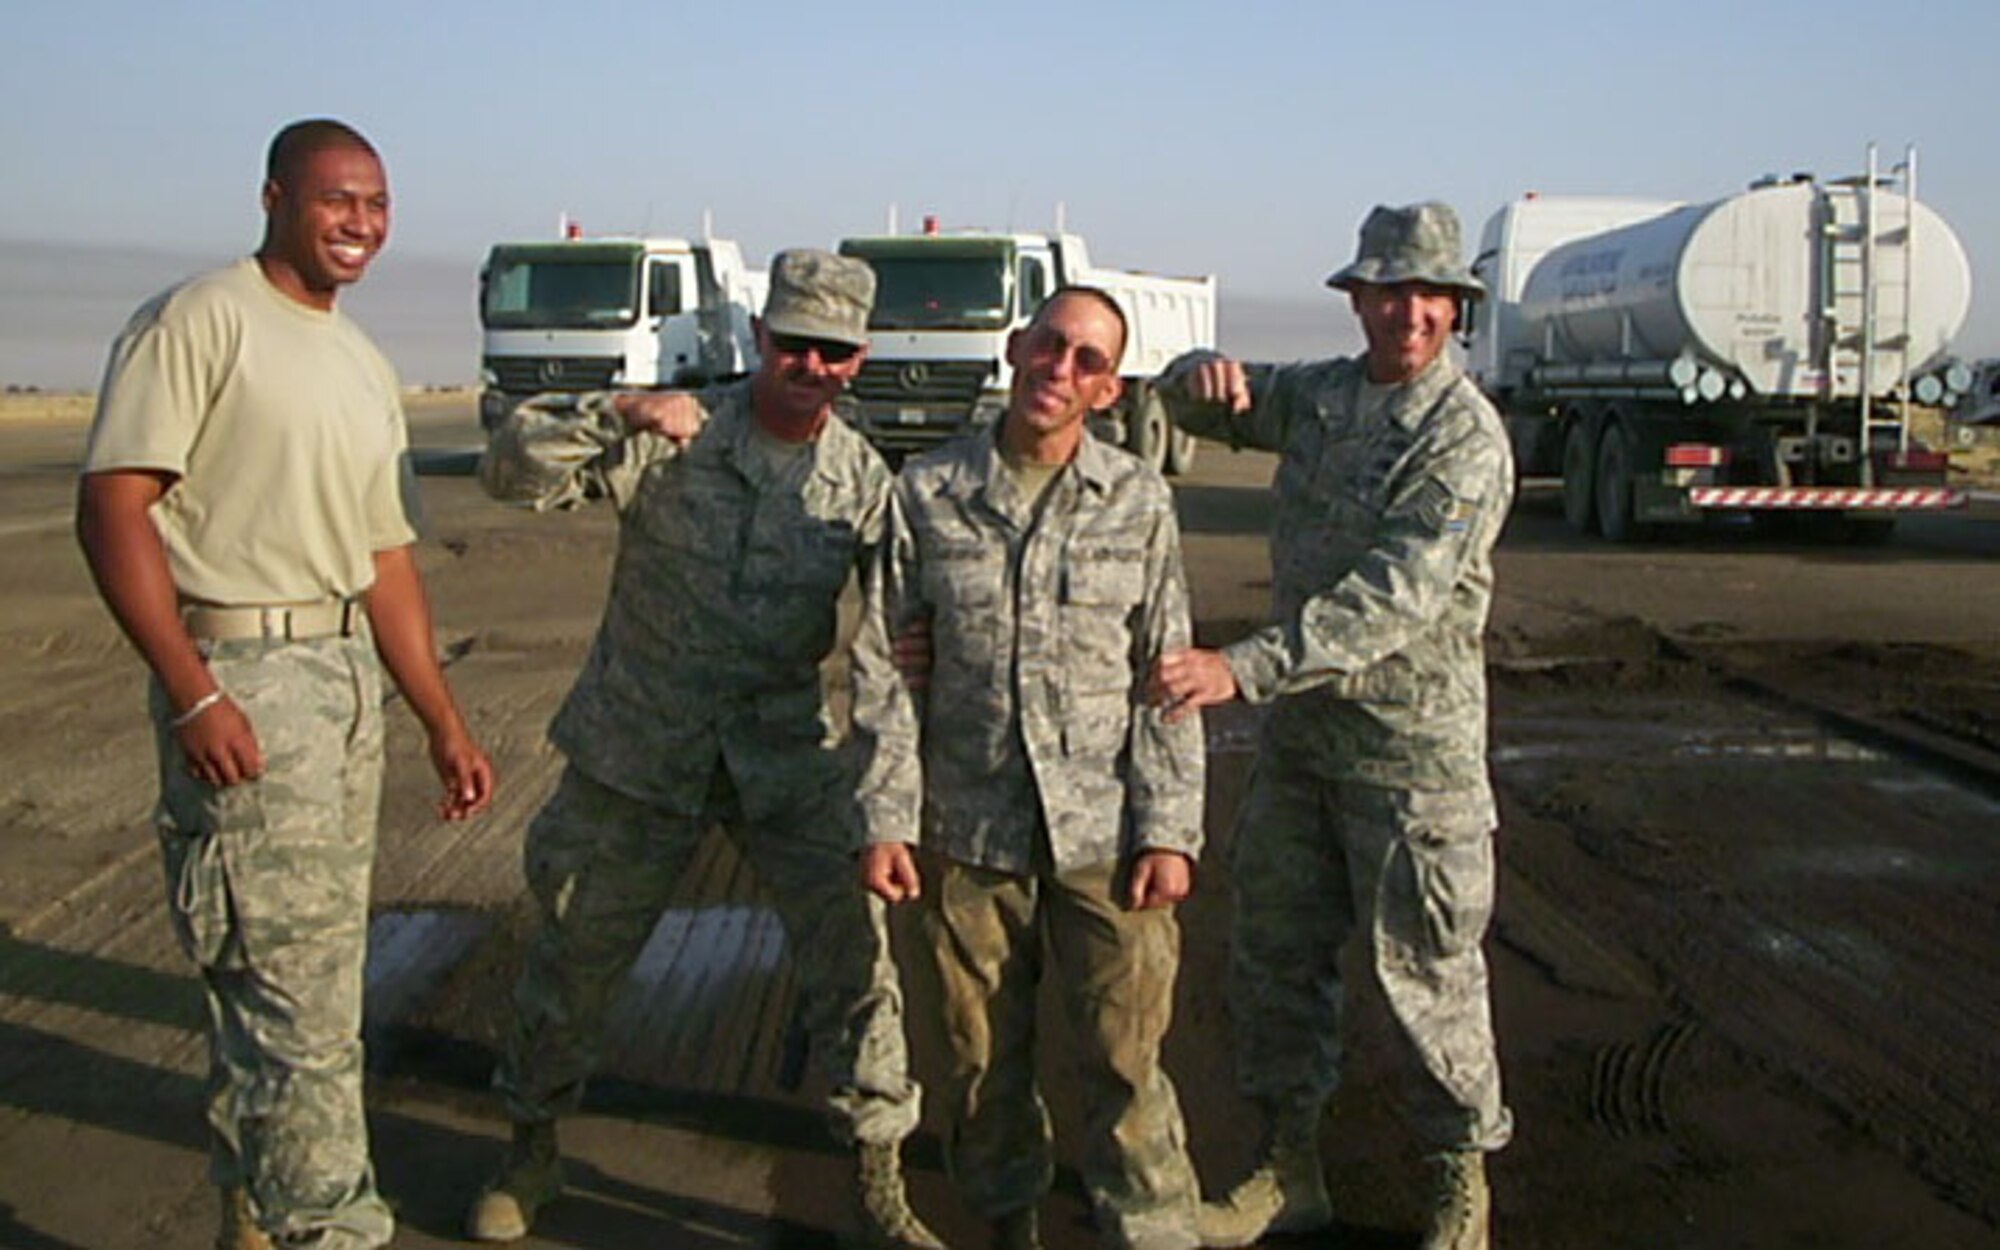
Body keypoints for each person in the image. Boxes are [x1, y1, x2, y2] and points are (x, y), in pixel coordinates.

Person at [75, 119, 496, 1250]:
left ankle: (255, 1208)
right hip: (243, 677)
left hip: (340, 681)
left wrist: (439, 720)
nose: (360, 221)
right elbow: (115, 505)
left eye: (377, 202)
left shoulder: (358, 360)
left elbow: (386, 559)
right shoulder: (203, 320)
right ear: (273, 198)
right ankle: (332, 1227)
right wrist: (193, 690)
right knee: (296, 1003)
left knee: (286, 980)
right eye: (335, 198)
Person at [467, 249, 941, 1249]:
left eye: (836, 351)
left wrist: (886, 806)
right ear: (761, 338)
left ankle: (877, 1168)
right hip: (639, 747)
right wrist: (617, 414)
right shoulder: (677, 432)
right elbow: (508, 473)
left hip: (781, 755)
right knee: (571, 955)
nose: (812, 364)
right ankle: (530, 1146)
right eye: (795, 343)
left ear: (858, 361)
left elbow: (886, 657)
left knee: (855, 961)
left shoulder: (860, 482)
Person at [1147, 202, 1515, 1250]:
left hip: (1411, 762)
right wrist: (1198, 369)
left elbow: (1394, 594)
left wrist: (1242, 666)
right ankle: (1285, 1166)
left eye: (1427, 295)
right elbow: (1216, 404)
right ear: (1357, 301)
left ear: (1454, 309)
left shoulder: (1461, 436)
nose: (1408, 312)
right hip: (1303, 752)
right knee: (1272, 961)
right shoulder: (1321, 396)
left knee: (1426, 977)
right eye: (1388, 290)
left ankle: (1456, 1187)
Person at [852, 287, 1207, 1250]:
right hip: (970, 834)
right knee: (978, 1066)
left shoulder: (1137, 500)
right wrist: (888, 816)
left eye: (1088, 360)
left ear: (1110, 389)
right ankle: (1008, 1223)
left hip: (1107, 833)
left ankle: (1151, 1231)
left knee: (1126, 1060)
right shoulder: (926, 494)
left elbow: (1169, 673)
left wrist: (1170, 831)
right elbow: (885, 665)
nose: (1061, 368)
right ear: (1016, 346)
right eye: (1050, 344)